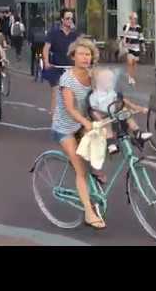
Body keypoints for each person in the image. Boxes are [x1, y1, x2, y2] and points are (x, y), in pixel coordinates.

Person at [51, 37, 106, 229]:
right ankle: (89, 214)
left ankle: (93, 172)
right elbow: (70, 109)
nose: (85, 57)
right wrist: (86, 122)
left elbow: (96, 101)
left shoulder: (91, 76)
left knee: (101, 144)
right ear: (73, 56)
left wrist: (103, 117)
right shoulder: (67, 78)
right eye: (81, 54)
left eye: (88, 54)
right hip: (64, 127)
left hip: (82, 124)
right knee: (80, 170)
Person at [88, 67, 152, 155]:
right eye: (109, 80)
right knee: (107, 126)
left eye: (111, 80)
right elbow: (93, 110)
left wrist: (138, 108)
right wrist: (100, 119)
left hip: (115, 113)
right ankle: (111, 144)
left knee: (127, 114)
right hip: (104, 117)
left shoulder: (111, 92)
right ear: (99, 82)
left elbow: (122, 101)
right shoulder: (94, 96)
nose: (111, 83)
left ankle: (138, 133)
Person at [43, 8, 79, 114]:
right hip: (56, 67)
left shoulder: (75, 35)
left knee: (73, 93)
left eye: (71, 19)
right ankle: (54, 116)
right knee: (56, 91)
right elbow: (46, 48)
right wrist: (46, 62)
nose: (70, 21)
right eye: (67, 18)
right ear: (62, 20)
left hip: (71, 68)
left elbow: (81, 47)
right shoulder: (53, 33)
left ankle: (72, 117)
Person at [122, 12, 145, 85]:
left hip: (136, 48)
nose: (134, 20)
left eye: (135, 19)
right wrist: (124, 44)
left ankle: (132, 76)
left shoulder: (138, 28)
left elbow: (141, 38)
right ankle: (130, 78)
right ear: (130, 18)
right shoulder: (126, 26)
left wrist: (143, 47)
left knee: (134, 63)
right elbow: (123, 36)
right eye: (132, 18)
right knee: (130, 63)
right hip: (129, 48)